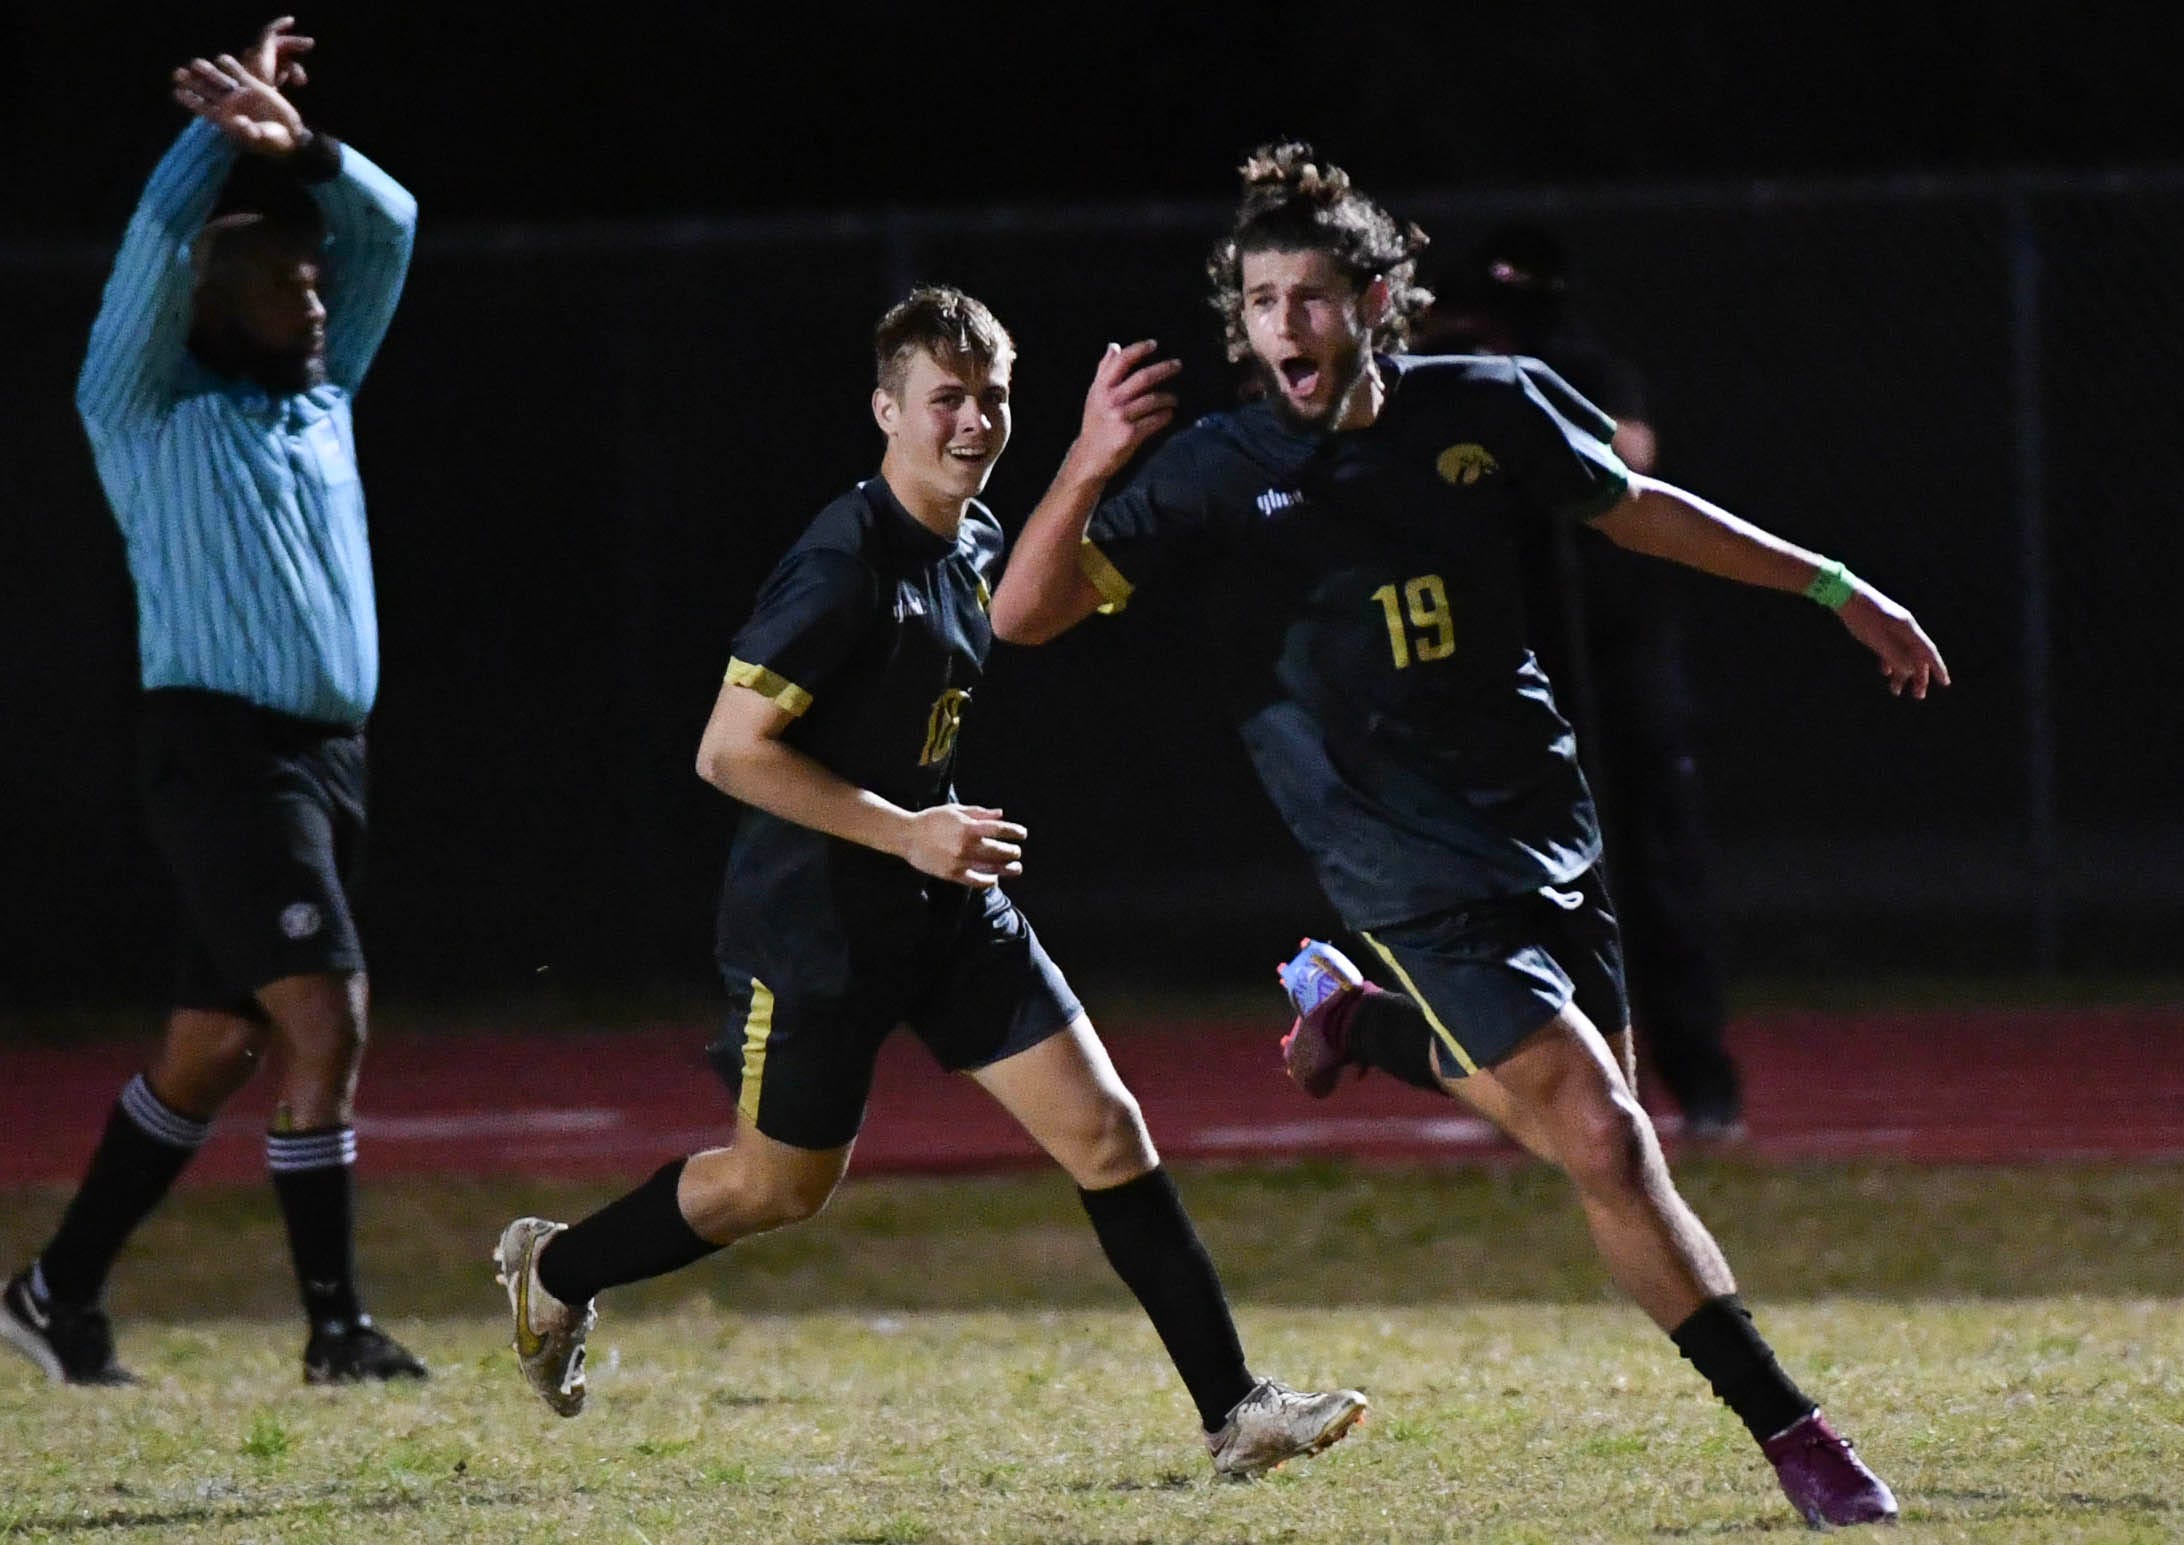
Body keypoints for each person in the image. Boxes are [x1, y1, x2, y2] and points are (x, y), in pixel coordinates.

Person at [990, 142, 1948, 1528]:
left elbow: (1642, 514)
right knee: (1610, 1141)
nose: (1282, 327)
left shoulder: (1486, 406)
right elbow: (1024, 614)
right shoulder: (1210, 468)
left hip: (1539, 816)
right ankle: (1801, 1441)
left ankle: (1360, 1025)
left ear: (1377, 300)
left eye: (1310, 297)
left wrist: (1838, 589)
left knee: (1583, 1125)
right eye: (1259, 302)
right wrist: (1085, 462)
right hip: (1394, 852)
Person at [493, 287, 1366, 1479]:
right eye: (946, 398)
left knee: (1107, 1132)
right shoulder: (841, 560)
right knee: (773, 1188)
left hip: (943, 904)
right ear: (886, 410)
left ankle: (1238, 1413)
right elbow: (727, 751)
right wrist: (906, 832)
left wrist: (1103, 473)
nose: (972, 420)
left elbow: (1040, 603)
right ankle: (556, 1270)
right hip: (818, 927)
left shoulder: (974, 538)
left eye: (992, 396)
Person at [0, 19, 424, 1387]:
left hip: (325, 756)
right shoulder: (144, 410)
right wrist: (209, 146)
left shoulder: (325, 400)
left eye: (311, 279)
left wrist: (299, 146)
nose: (312, 300)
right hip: (223, 753)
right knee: (326, 1018)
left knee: (213, 1048)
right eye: (279, 281)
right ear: (214, 299)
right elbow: (142, 257)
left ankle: (54, 1291)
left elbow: (394, 228)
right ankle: (336, 1328)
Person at [1417, 226, 1743, 1139]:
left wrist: (1524, 409)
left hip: (1615, 662)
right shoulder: (1449, 388)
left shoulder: (1575, 370)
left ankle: (1698, 1081)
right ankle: (1536, 1082)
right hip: (1512, 666)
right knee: (1515, 882)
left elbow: (1630, 452)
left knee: (1648, 871)